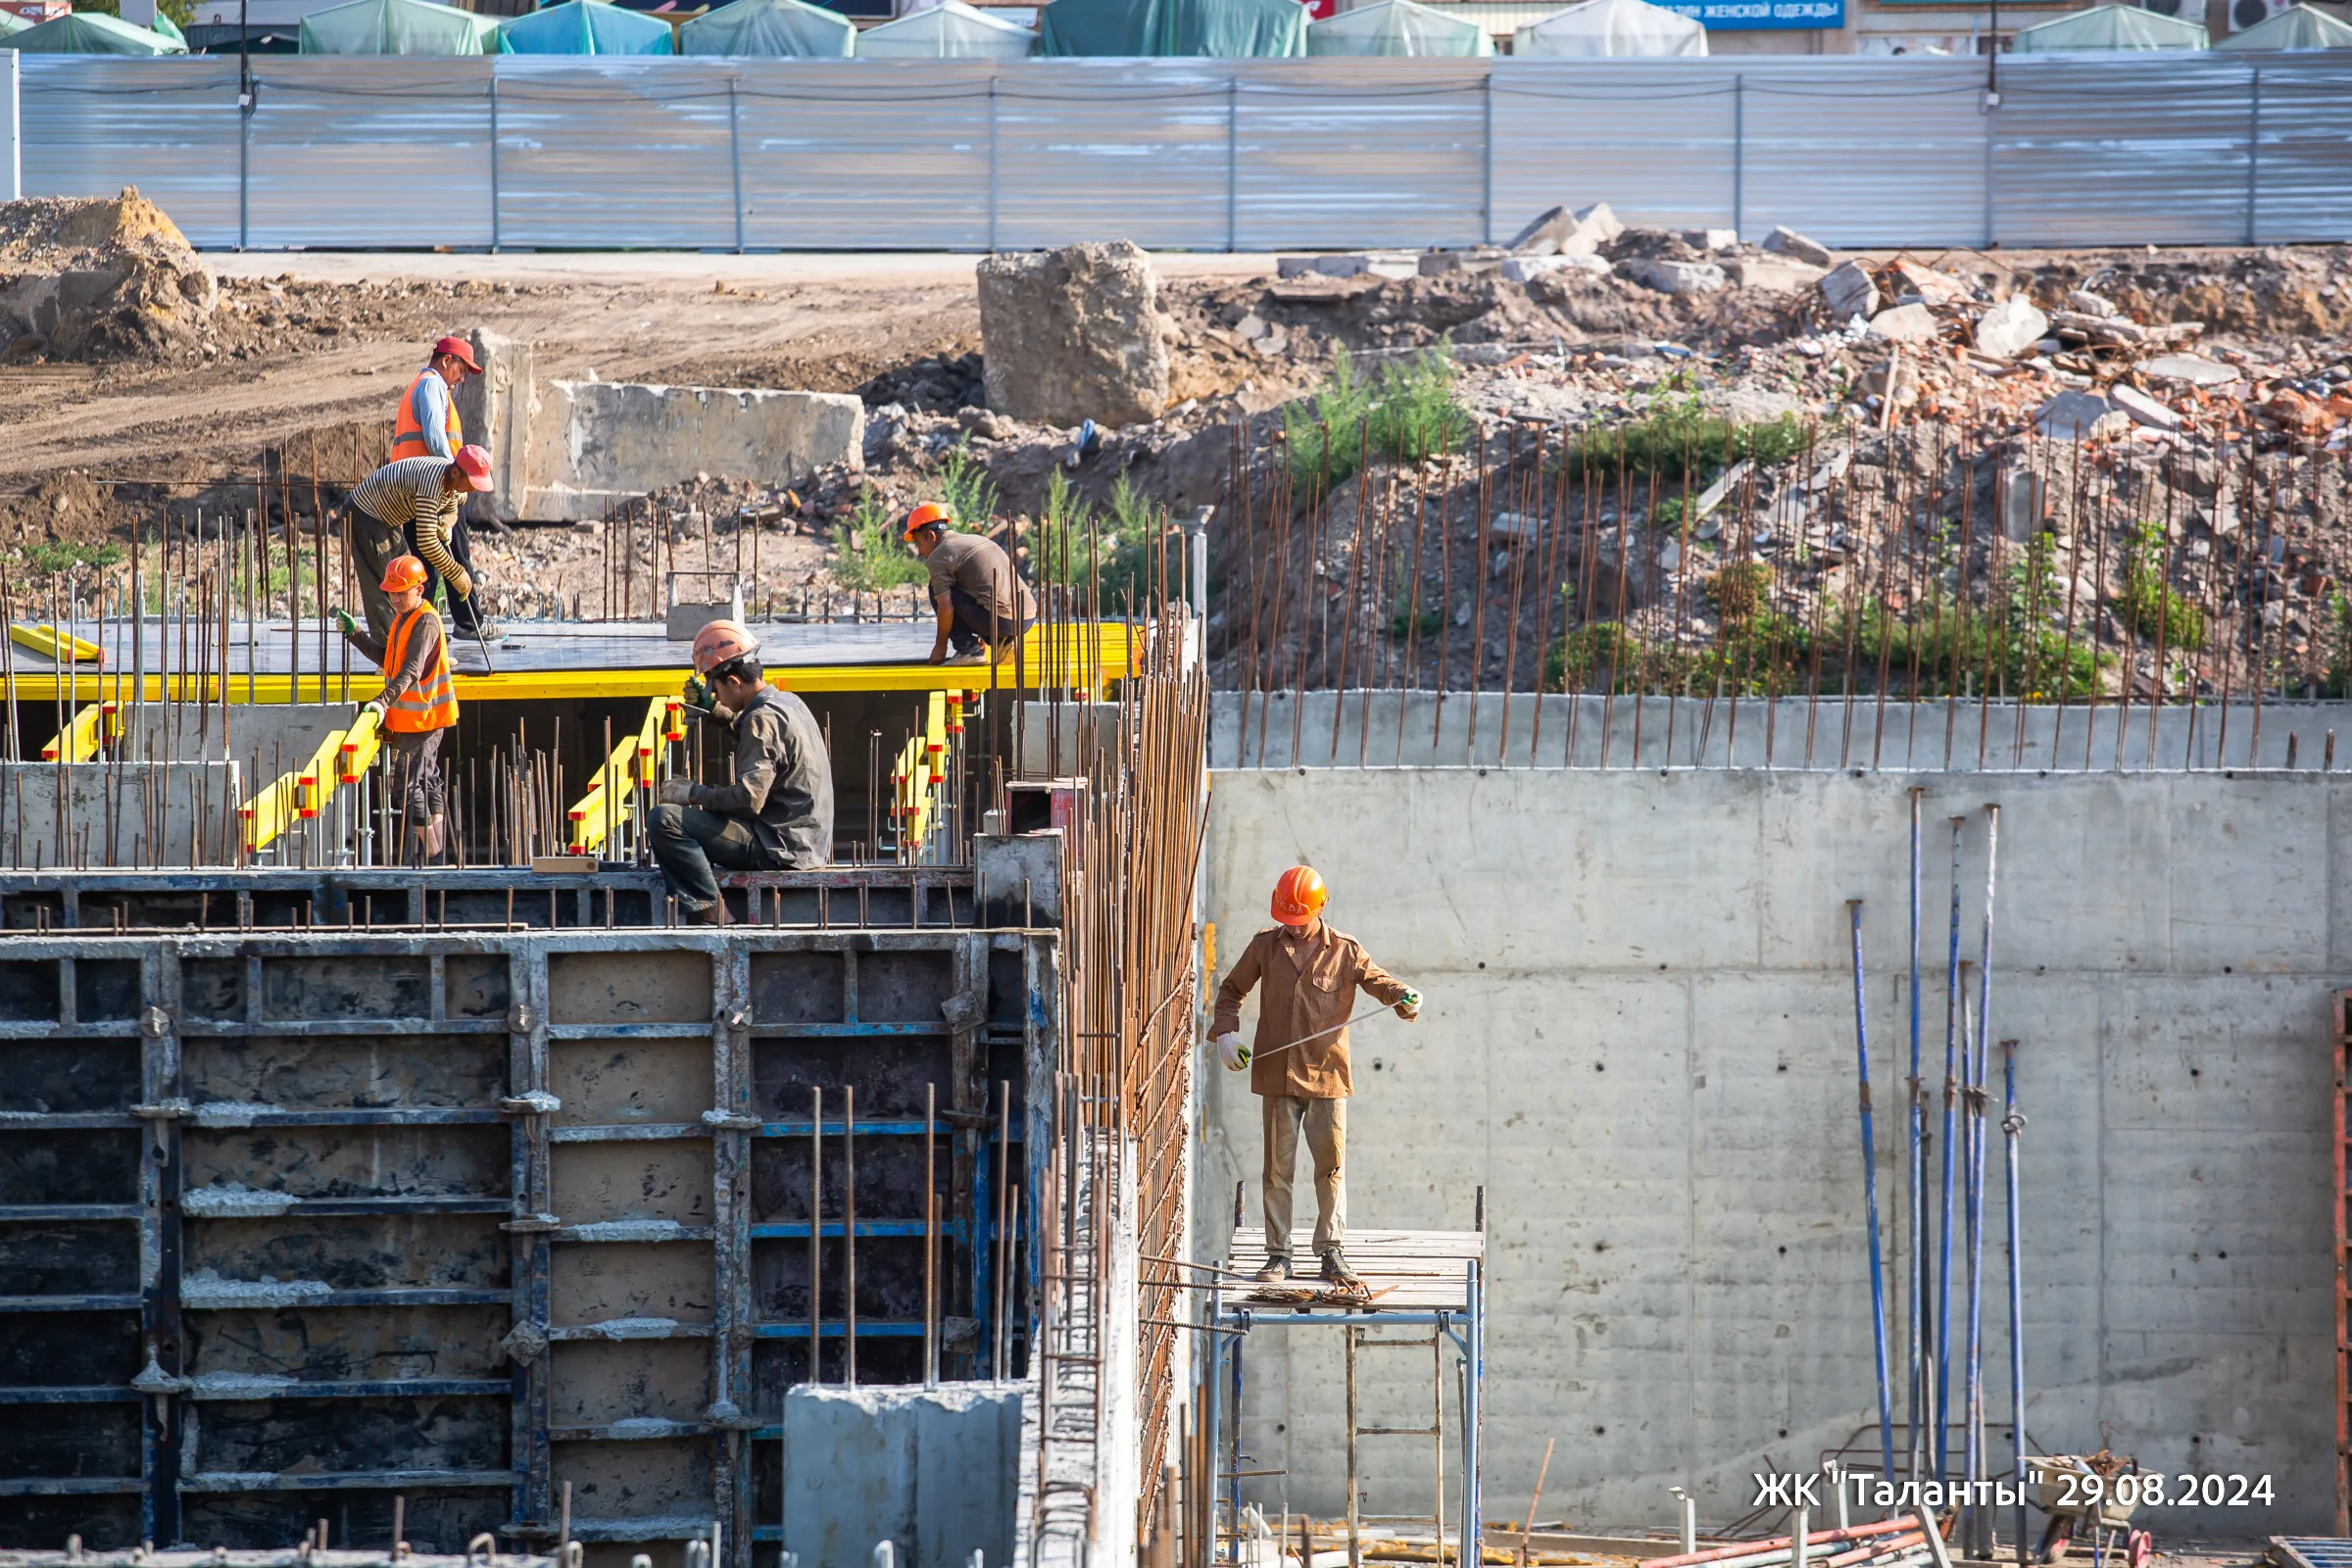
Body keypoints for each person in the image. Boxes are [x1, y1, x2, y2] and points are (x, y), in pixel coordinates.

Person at [1210, 865, 1422, 1290]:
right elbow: (1232, 990)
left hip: (1327, 1077)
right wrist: (1226, 1033)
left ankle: (1331, 1251)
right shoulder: (1264, 947)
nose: (1292, 927)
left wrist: (1404, 997)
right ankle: (1278, 1255)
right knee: (1277, 1171)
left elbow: (1380, 983)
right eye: (1286, 919)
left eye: (1299, 919)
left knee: (1330, 1169)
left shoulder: (1345, 951)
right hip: (1277, 1077)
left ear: (1320, 907)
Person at [649, 618, 834, 926]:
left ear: (734, 682)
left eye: (716, 688)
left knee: (665, 819)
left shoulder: (761, 719)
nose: (716, 695)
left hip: (778, 848)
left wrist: (692, 792)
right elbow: (761, 739)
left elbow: (748, 800)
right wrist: (714, 711)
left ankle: (712, 911)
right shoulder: (787, 703)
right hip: (802, 842)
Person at [335, 555, 458, 865]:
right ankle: (438, 853)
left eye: (402, 593)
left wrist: (382, 700)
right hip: (414, 719)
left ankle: (434, 855)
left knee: (405, 785)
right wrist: (356, 634)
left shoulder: (425, 623)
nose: (396, 599)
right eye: (392, 593)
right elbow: (389, 662)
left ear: (420, 589)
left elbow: (411, 670)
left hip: (424, 719)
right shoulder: (406, 619)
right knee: (427, 781)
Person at [389, 334, 489, 633]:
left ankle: (424, 627)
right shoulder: (432, 385)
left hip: (416, 490)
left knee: (429, 563)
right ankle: (462, 625)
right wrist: (455, 479)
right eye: (461, 370)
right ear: (446, 360)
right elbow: (435, 438)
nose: (461, 378)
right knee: (451, 556)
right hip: (436, 489)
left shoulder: (420, 386)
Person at [346, 446, 493, 646]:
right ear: (456, 472)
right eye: (472, 483)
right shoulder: (432, 483)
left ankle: (414, 643)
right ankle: (390, 653)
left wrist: (447, 522)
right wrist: (456, 573)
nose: (474, 489)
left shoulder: (453, 481)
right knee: (387, 585)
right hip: (365, 513)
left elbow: (454, 505)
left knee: (407, 580)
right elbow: (426, 542)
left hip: (388, 519)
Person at [903, 503, 1036, 666]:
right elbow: (983, 586)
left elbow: (946, 608)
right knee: (958, 587)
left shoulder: (939, 554)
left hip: (1001, 621)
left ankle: (968, 650)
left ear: (931, 536)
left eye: (918, 543)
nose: (919, 551)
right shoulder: (975, 540)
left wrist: (940, 647)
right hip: (1026, 619)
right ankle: (1005, 644)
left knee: (935, 589)